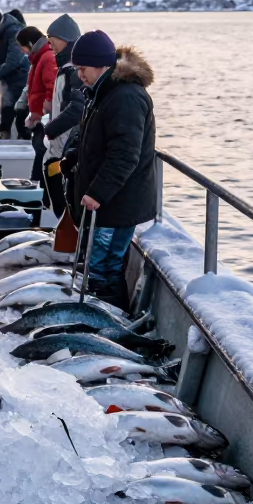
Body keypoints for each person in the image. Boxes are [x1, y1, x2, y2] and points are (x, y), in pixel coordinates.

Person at [67, 29, 156, 310]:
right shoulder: (102, 91)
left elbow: (125, 154)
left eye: (83, 68)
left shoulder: (126, 97)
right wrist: (73, 156)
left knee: (104, 267)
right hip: (107, 200)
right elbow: (93, 136)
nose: (79, 74)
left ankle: (111, 323)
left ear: (101, 65)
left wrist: (97, 192)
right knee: (98, 266)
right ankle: (100, 315)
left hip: (117, 201)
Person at [41, 15, 85, 214]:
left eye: (53, 38)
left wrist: (52, 128)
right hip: (56, 145)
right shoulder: (63, 69)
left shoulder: (74, 72)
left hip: (65, 147)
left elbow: (78, 108)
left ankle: (65, 232)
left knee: (62, 195)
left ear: (66, 40)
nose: (49, 43)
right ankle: (60, 229)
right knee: (53, 186)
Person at [15, 26, 58, 179]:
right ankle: (37, 185)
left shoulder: (47, 57)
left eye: (23, 47)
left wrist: (45, 107)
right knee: (38, 149)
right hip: (38, 117)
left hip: (44, 119)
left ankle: (39, 187)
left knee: (41, 151)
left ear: (31, 44)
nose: (22, 51)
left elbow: (51, 86)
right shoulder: (38, 58)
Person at [0, 7, 29, 138]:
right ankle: (4, 135)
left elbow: (13, 61)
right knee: (6, 108)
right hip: (10, 81)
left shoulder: (13, 32)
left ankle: (21, 144)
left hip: (19, 80)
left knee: (18, 113)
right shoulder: (5, 33)